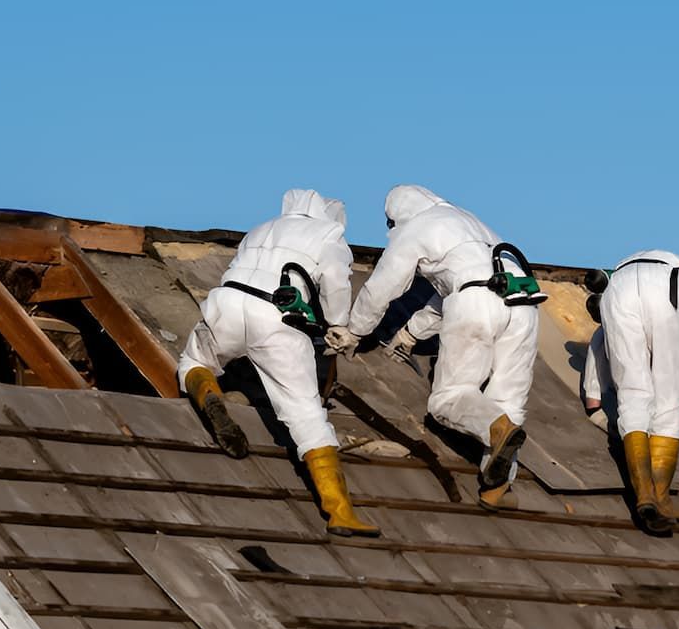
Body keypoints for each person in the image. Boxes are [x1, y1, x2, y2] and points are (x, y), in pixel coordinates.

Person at [178, 189, 379, 537]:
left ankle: (209, 392)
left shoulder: (261, 228)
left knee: (194, 361)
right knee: (306, 415)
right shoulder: (329, 235)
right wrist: (336, 325)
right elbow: (334, 282)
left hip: (226, 302)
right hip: (276, 316)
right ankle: (340, 512)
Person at [332, 185, 544, 504]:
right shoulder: (468, 222)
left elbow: (382, 288)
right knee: (508, 400)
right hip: (525, 304)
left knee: (448, 399)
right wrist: (411, 334)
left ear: (397, 217)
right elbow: (447, 292)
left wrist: (354, 331)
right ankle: (497, 488)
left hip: (477, 302)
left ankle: (495, 428)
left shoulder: (416, 227)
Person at [581, 251, 679, 534]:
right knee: (670, 400)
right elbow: (675, 359)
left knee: (632, 395)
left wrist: (593, 396)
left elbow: (601, 337)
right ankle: (660, 497)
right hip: (666, 285)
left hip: (618, 286)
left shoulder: (622, 286)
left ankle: (643, 494)